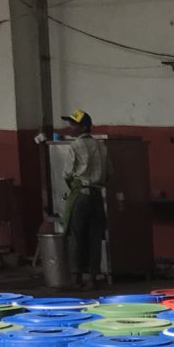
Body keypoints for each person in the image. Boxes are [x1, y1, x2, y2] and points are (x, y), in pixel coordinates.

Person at [57, 110, 106, 290]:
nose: (71, 127)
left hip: (81, 195)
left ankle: (76, 278)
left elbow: (67, 174)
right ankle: (93, 278)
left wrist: (74, 186)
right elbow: (109, 173)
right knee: (95, 237)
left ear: (84, 127)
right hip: (97, 196)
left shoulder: (75, 146)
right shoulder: (101, 146)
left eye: (74, 124)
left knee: (76, 236)